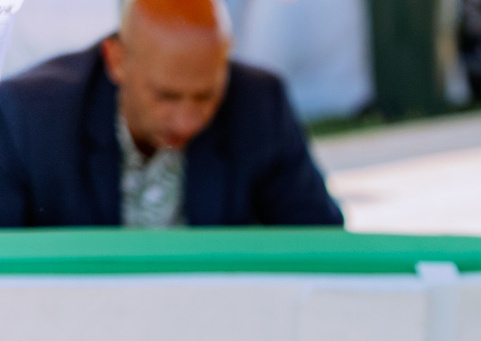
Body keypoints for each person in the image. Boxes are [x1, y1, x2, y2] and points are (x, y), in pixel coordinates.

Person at [0, 0, 338, 228]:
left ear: (225, 59)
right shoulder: (27, 118)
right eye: (166, 96)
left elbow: (320, 242)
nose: (187, 120)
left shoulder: (260, 104)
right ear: (116, 60)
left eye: (206, 95)